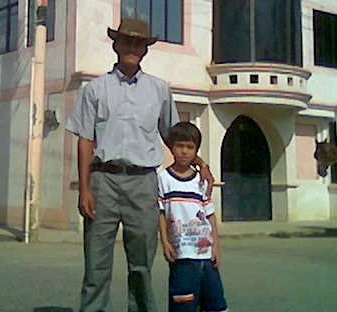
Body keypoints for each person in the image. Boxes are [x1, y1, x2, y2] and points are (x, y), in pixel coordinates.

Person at [66, 18, 214, 312]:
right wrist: (84, 189)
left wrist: (200, 163)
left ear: (145, 49)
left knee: (142, 265)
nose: (133, 47)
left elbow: (173, 135)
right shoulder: (95, 89)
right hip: (103, 182)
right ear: (116, 44)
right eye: (127, 41)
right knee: (96, 264)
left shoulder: (159, 90)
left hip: (144, 184)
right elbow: (85, 141)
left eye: (139, 43)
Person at [158, 122, 229, 312]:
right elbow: (161, 214)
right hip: (181, 257)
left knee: (215, 304)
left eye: (190, 147)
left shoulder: (201, 180)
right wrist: (165, 242)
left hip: (206, 257)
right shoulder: (163, 178)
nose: (184, 151)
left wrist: (216, 246)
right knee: (183, 305)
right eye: (179, 146)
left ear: (196, 150)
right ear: (171, 147)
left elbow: (210, 216)